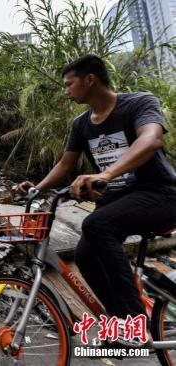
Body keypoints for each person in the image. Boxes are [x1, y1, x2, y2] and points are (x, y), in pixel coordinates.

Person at [16, 54, 176, 346]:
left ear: (90, 80)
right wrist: (36, 189)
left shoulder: (139, 103)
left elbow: (151, 139)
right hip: (120, 199)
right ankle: (121, 330)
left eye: (69, 84)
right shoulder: (81, 124)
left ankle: (134, 323)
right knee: (86, 255)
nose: (66, 90)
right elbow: (65, 165)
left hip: (161, 194)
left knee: (96, 224)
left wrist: (107, 173)